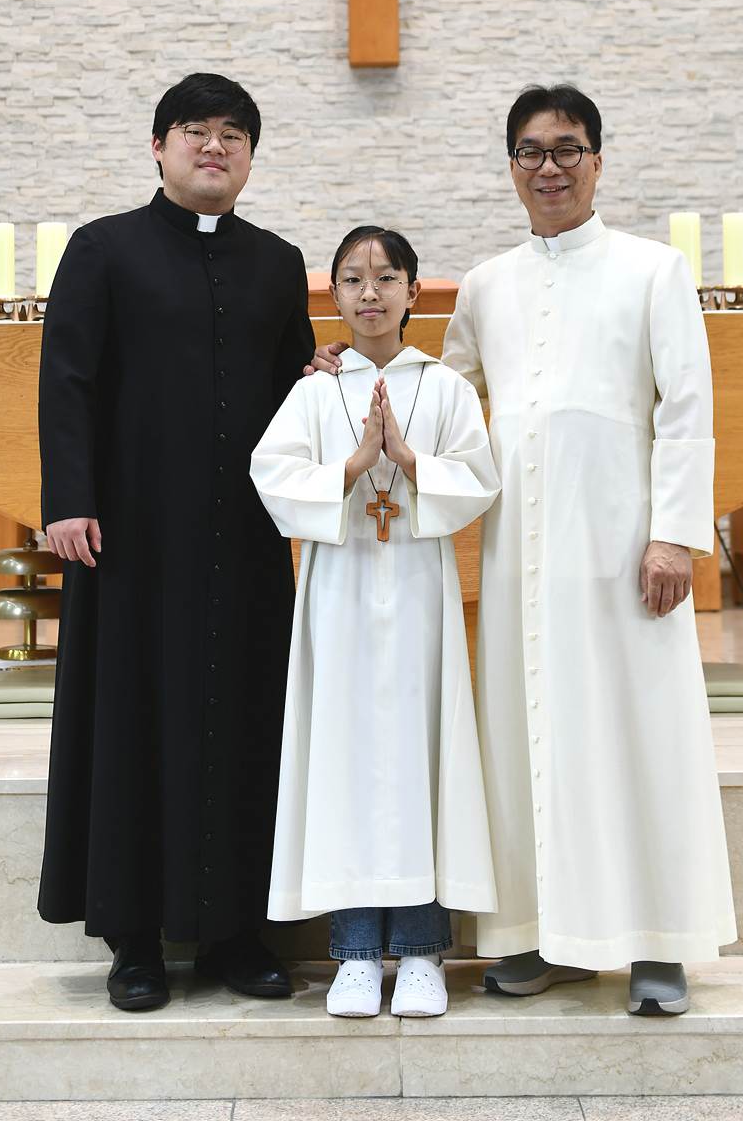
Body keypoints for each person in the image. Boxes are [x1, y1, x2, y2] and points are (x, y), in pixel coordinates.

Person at [442, 84, 737, 1014]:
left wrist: (674, 536)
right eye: (531, 152)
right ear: (511, 168)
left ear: (598, 161)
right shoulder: (487, 284)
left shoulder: (653, 270)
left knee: (639, 734)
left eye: (567, 148)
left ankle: (658, 942)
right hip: (520, 557)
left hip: (622, 548)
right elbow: (442, 395)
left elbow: (687, 408)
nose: (550, 167)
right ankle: (546, 935)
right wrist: (349, 376)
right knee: (529, 741)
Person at [37, 72, 316, 1012]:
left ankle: (239, 932)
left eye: (233, 134)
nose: (214, 146)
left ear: (251, 157)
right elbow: (67, 379)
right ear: (158, 147)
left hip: (246, 542)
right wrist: (69, 498)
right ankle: (135, 940)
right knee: (133, 722)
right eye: (194, 129)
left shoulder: (277, 262)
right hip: (132, 540)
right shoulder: (103, 249)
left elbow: (292, 393)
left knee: (247, 719)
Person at [251, 226, 499, 1019]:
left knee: (422, 757)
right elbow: (271, 475)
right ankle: (356, 953)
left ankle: (422, 950)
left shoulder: (444, 388)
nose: (370, 293)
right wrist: (357, 464)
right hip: (341, 595)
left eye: (386, 277)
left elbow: (480, 477)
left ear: (414, 292)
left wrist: (410, 460)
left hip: (420, 593)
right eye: (353, 279)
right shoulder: (315, 390)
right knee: (346, 759)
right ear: (333, 294)